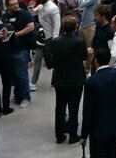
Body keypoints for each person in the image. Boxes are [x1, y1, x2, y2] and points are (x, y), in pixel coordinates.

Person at [80, 46, 116, 158]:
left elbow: (87, 110)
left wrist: (84, 134)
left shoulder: (91, 82)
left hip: (98, 128)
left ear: (96, 61)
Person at [43, 16, 87, 144]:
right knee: (74, 108)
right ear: (75, 28)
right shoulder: (78, 42)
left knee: (60, 107)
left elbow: (50, 57)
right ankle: (73, 135)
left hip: (60, 78)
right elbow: (84, 56)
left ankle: (59, 135)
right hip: (76, 79)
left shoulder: (55, 41)